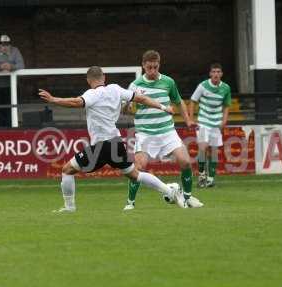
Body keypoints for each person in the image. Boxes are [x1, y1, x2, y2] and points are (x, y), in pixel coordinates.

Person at [38, 66, 186, 212]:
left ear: (89, 80)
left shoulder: (92, 94)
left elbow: (76, 102)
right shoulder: (115, 89)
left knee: (67, 170)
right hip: (116, 143)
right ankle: (169, 190)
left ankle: (69, 208)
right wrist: (162, 106)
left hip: (102, 145)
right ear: (104, 77)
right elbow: (141, 98)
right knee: (135, 175)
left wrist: (53, 99)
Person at [124, 50, 203, 210]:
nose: (152, 71)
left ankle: (187, 198)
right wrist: (127, 107)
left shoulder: (168, 82)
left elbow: (178, 101)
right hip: (145, 133)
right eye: (149, 68)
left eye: (155, 67)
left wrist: (187, 120)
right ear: (143, 66)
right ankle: (130, 203)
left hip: (167, 131)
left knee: (185, 161)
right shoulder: (135, 85)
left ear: (159, 64)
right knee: (138, 167)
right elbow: (126, 109)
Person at [189, 63, 231, 187]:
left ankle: (211, 179)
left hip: (216, 124)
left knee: (214, 151)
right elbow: (192, 101)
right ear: (210, 74)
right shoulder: (202, 86)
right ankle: (202, 176)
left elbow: (227, 105)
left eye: (218, 72)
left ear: (221, 74)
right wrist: (191, 118)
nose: (216, 74)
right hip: (203, 122)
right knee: (202, 148)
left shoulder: (226, 88)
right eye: (214, 72)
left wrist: (224, 120)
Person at [0, 34, 25, 127]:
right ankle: (2, 132)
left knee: (12, 111)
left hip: (12, 86)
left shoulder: (15, 51)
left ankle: (12, 131)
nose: (5, 47)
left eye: (7, 44)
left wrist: (12, 67)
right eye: (3, 44)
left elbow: (21, 65)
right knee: (0, 112)